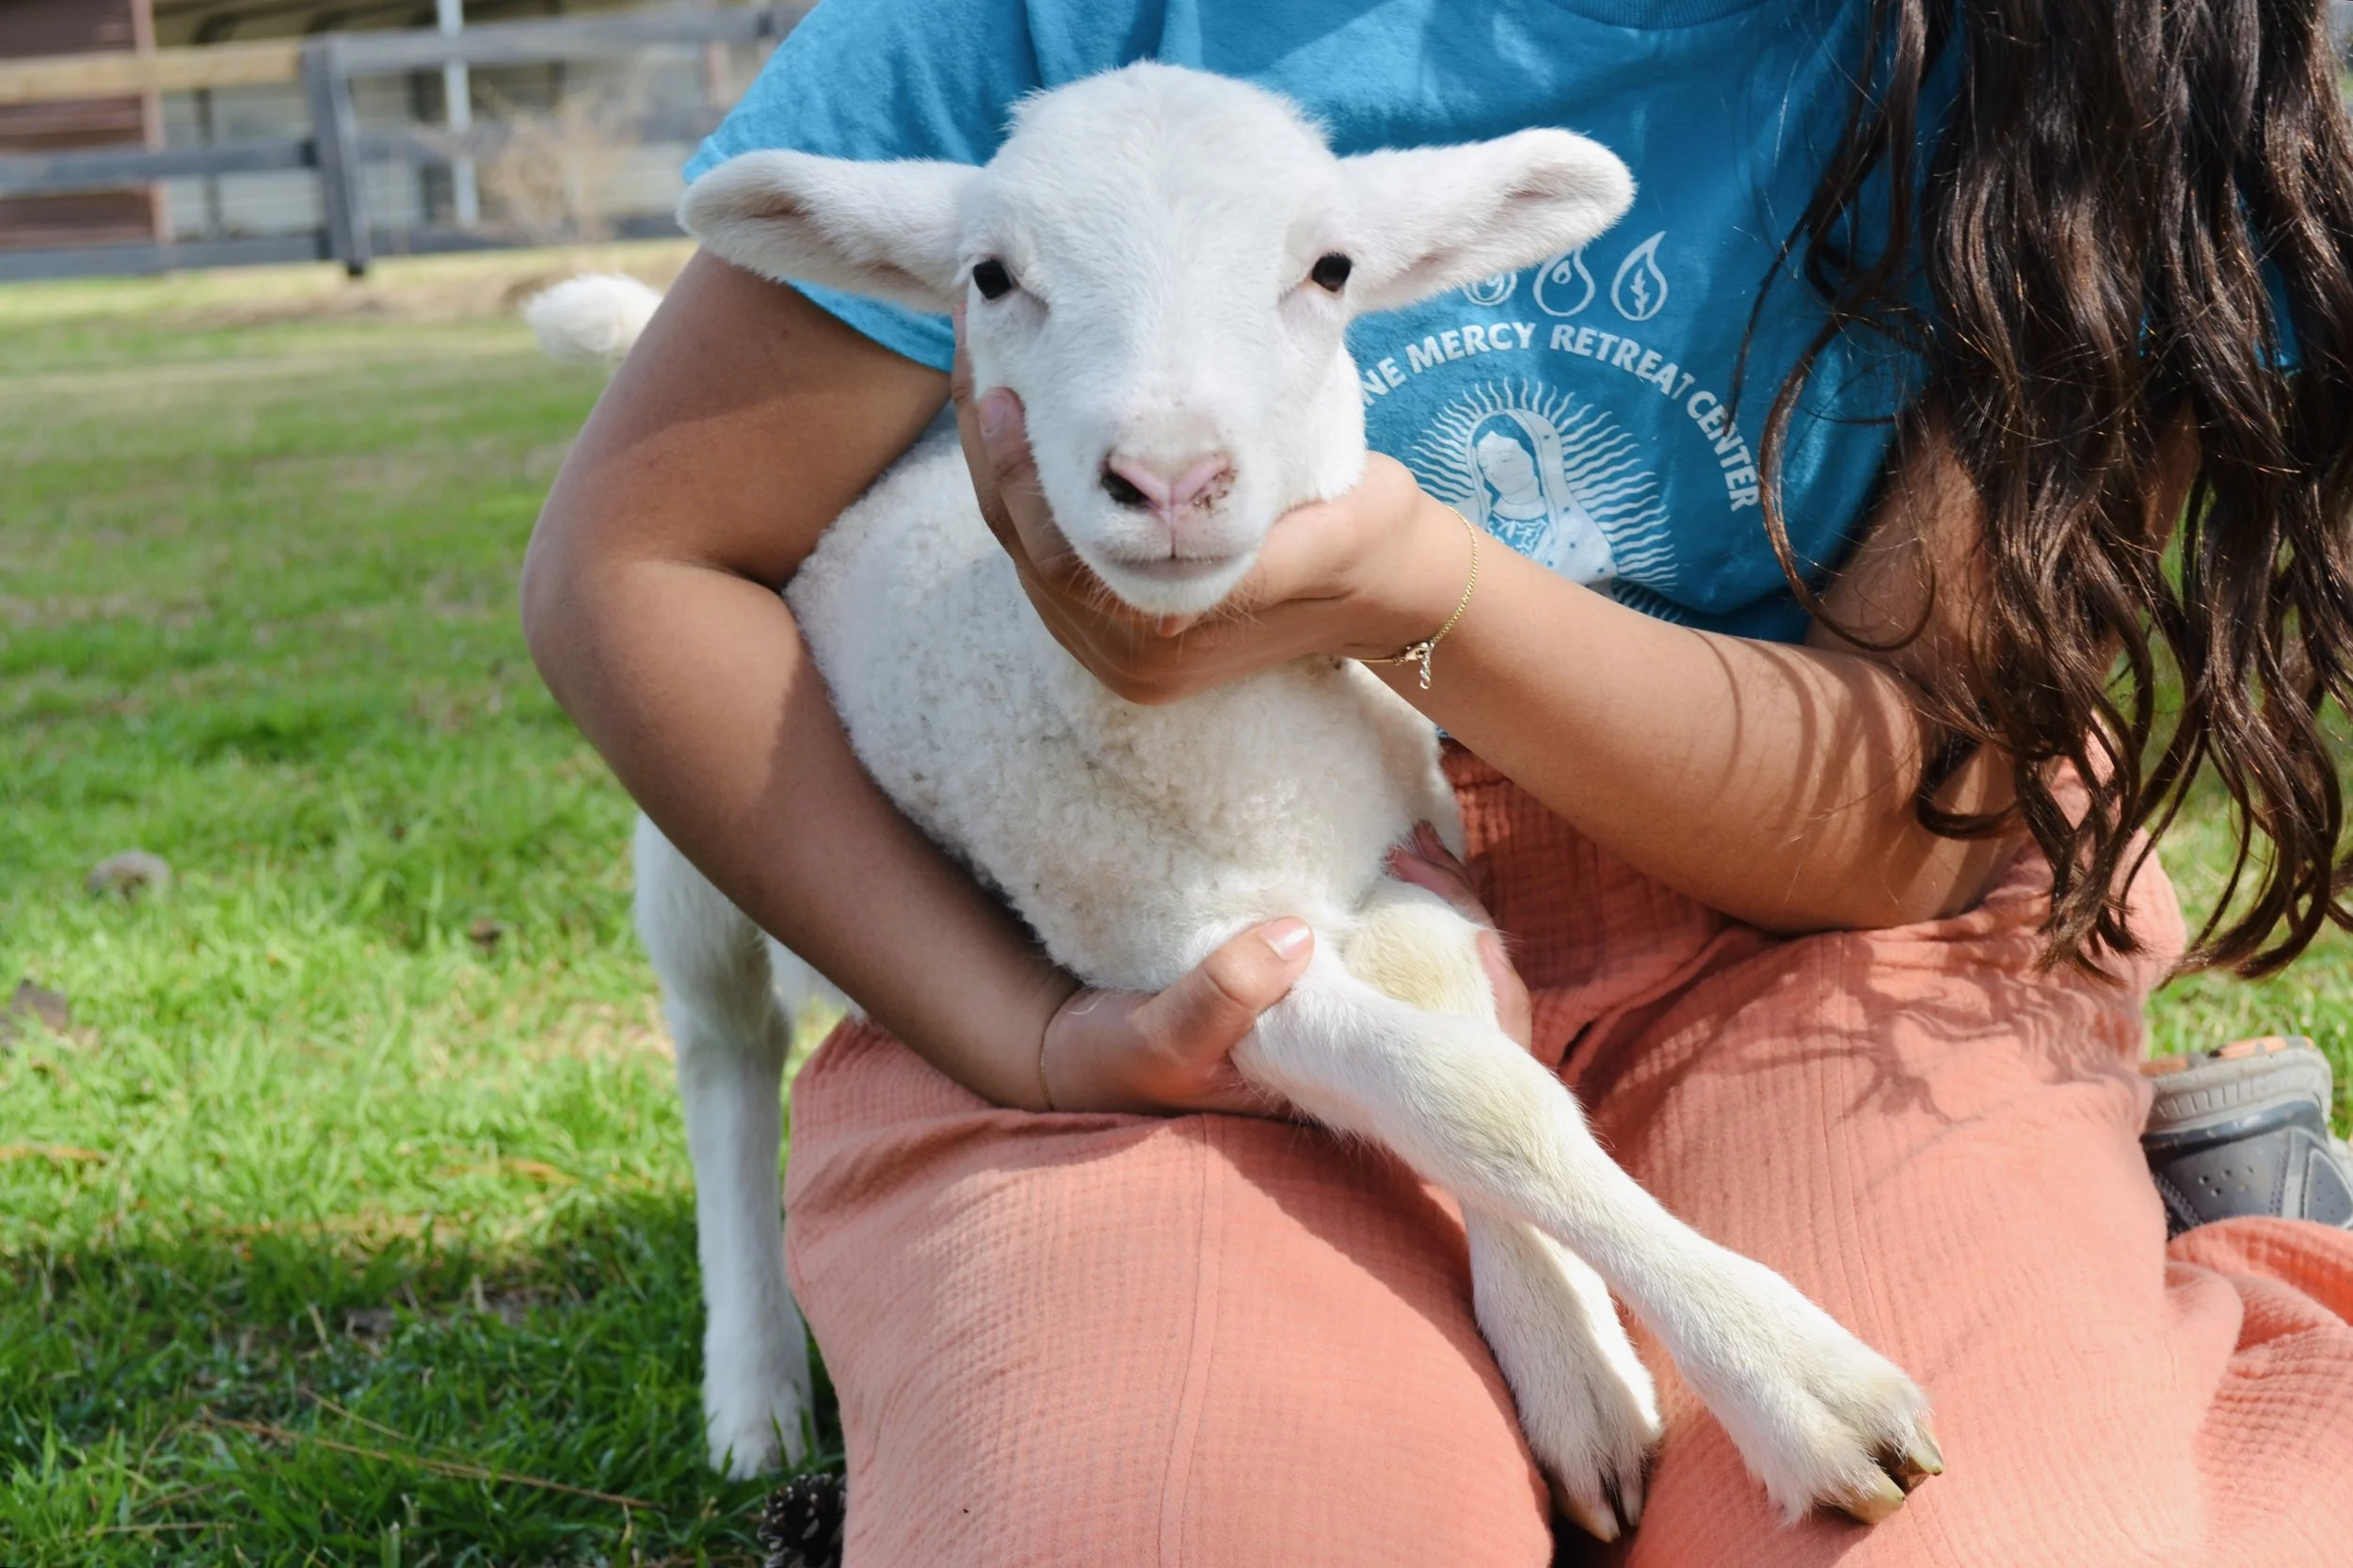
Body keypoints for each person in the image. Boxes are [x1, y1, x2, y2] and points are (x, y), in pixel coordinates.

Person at [520, 0, 2353, 1560]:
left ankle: (2177, 1260)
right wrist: (1020, 1030)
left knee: (1973, 1514)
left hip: (1796, 912)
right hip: (1150, 867)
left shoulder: (2061, 62)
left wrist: (1418, 605)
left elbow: (1904, 793)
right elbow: (644, 559)